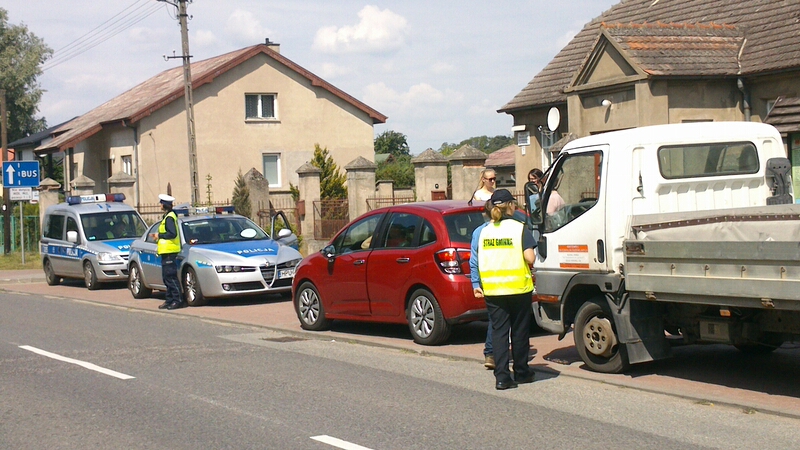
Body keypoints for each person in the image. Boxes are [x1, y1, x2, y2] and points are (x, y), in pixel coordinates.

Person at [470, 189, 537, 390]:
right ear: (510, 205)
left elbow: (475, 260)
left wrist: (476, 285)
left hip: (493, 290)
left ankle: (502, 377)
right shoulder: (519, 228)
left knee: (499, 333)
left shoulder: (482, 232)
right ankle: (522, 372)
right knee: (519, 332)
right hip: (517, 288)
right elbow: (530, 258)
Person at [152, 194, 184, 310]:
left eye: (161, 203)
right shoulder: (167, 216)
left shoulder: (170, 217)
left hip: (171, 251)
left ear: (164, 204)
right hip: (166, 252)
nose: (160, 205)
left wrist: (159, 235)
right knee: (166, 278)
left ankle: (177, 300)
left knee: (170, 277)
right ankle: (169, 300)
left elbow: (172, 233)